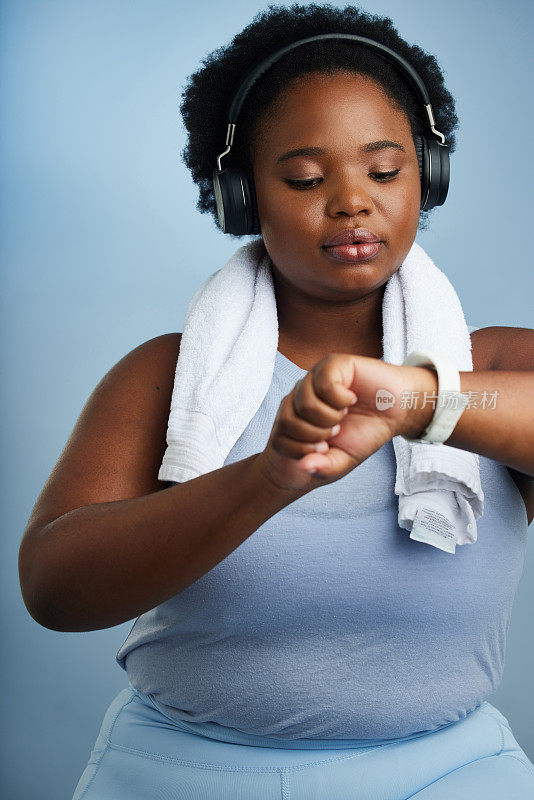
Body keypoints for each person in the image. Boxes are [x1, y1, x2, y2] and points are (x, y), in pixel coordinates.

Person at [18, 4, 534, 798]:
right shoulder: (169, 374)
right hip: (179, 770)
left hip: (452, 772)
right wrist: (267, 478)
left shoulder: (486, 365)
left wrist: (414, 399)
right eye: (304, 178)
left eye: (385, 170)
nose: (352, 200)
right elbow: (54, 588)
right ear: (239, 194)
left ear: (426, 176)